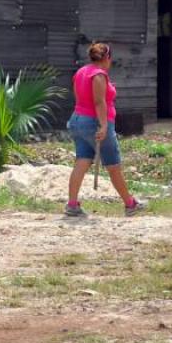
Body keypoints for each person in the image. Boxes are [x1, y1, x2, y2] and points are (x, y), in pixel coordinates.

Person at [66, 42, 147, 217]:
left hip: (78, 120)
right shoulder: (99, 75)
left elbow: (80, 97)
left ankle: (72, 204)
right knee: (113, 165)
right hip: (95, 123)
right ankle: (130, 204)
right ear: (107, 58)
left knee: (82, 160)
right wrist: (103, 125)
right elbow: (98, 102)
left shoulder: (81, 72)